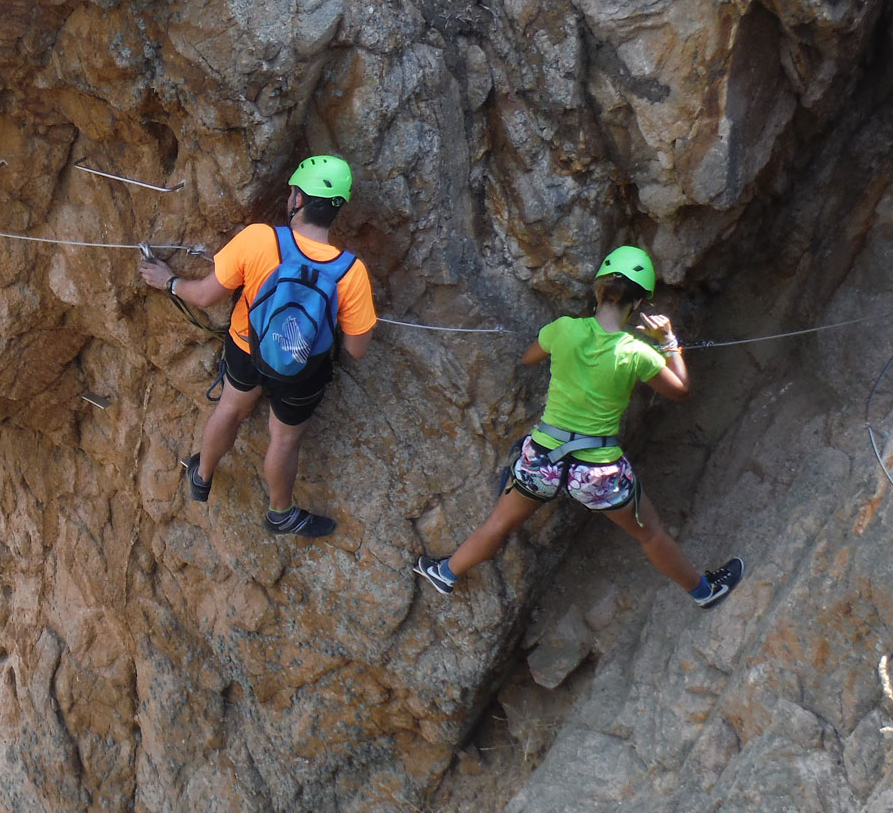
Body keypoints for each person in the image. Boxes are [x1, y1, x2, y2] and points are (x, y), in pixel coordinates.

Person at [412, 245, 744, 608]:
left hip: (541, 460)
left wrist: (561, 346)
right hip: (597, 472)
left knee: (498, 525)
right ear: (638, 305)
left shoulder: (564, 329)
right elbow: (680, 391)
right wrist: (668, 342)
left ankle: (446, 573)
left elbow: (529, 357)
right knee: (652, 536)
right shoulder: (636, 352)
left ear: (599, 290)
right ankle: (704, 592)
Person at [139, 156, 377, 538]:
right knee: (284, 439)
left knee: (230, 410)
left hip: (247, 349)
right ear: (337, 208)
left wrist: (168, 281)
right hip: (303, 370)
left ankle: (202, 476)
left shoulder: (259, 239)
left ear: (297, 199)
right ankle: (280, 512)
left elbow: (204, 296)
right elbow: (357, 348)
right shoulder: (351, 273)